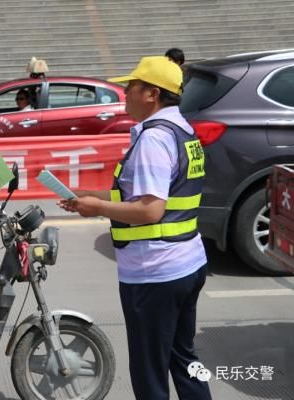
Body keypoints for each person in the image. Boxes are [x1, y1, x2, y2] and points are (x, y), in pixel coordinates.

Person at [58, 56, 212, 400]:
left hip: (155, 274)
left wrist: (96, 208)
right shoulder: (182, 130)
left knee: (149, 374)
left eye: (132, 86)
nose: (125, 93)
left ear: (152, 94)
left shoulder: (154, 140)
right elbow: (146, 194)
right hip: (186, 262)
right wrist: (90, 196)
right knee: (184, 360)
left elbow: (150, 209)